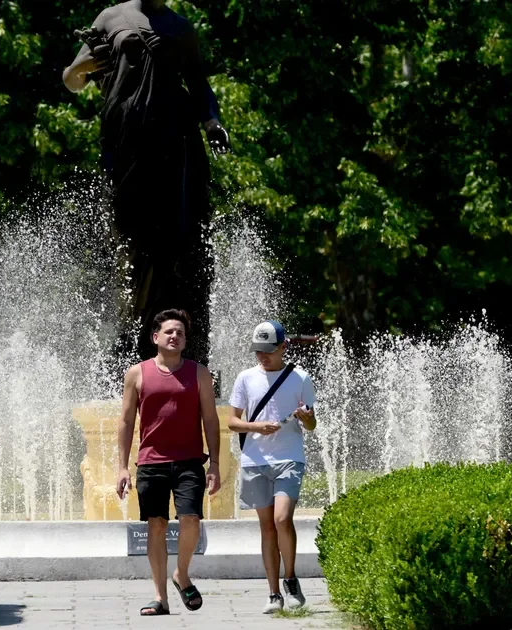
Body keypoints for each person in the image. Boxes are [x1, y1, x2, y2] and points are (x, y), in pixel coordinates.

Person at [62, 0, 230, 364]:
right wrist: (86, 67)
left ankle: (181, 342)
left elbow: (198, 82)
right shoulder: (109, 18)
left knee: (180, 243)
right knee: (132, 242)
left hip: (176, 145)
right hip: (126, 145)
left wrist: (212, 123)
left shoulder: (180, 27)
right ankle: (133, 339)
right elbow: (71, 79)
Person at [116, 308, 222, 616]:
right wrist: (122, 466)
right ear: (155, 337)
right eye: (169, 332)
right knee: (156, 525)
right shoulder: (137, 373)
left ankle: (182, 574)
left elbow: (211, 419)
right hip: (151, 462)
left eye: (181, 333)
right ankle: (160, 598)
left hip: (190, 460)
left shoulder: (199, 373)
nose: (175, 336)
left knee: (191, 519)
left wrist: (214, 463)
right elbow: (125, 421)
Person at [227, 320, 317, 614]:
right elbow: (232, 421)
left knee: (281, 520)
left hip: (289, 457)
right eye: (257, 351)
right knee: (266, 528)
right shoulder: (245, 378)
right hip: (255, 460)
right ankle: (273, 593)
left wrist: (305, 419)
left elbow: (312, 424)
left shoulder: (300, 377)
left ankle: (290, 579)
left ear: (283, 347)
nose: (262, 356)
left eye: (268, 350)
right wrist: (257, 426)